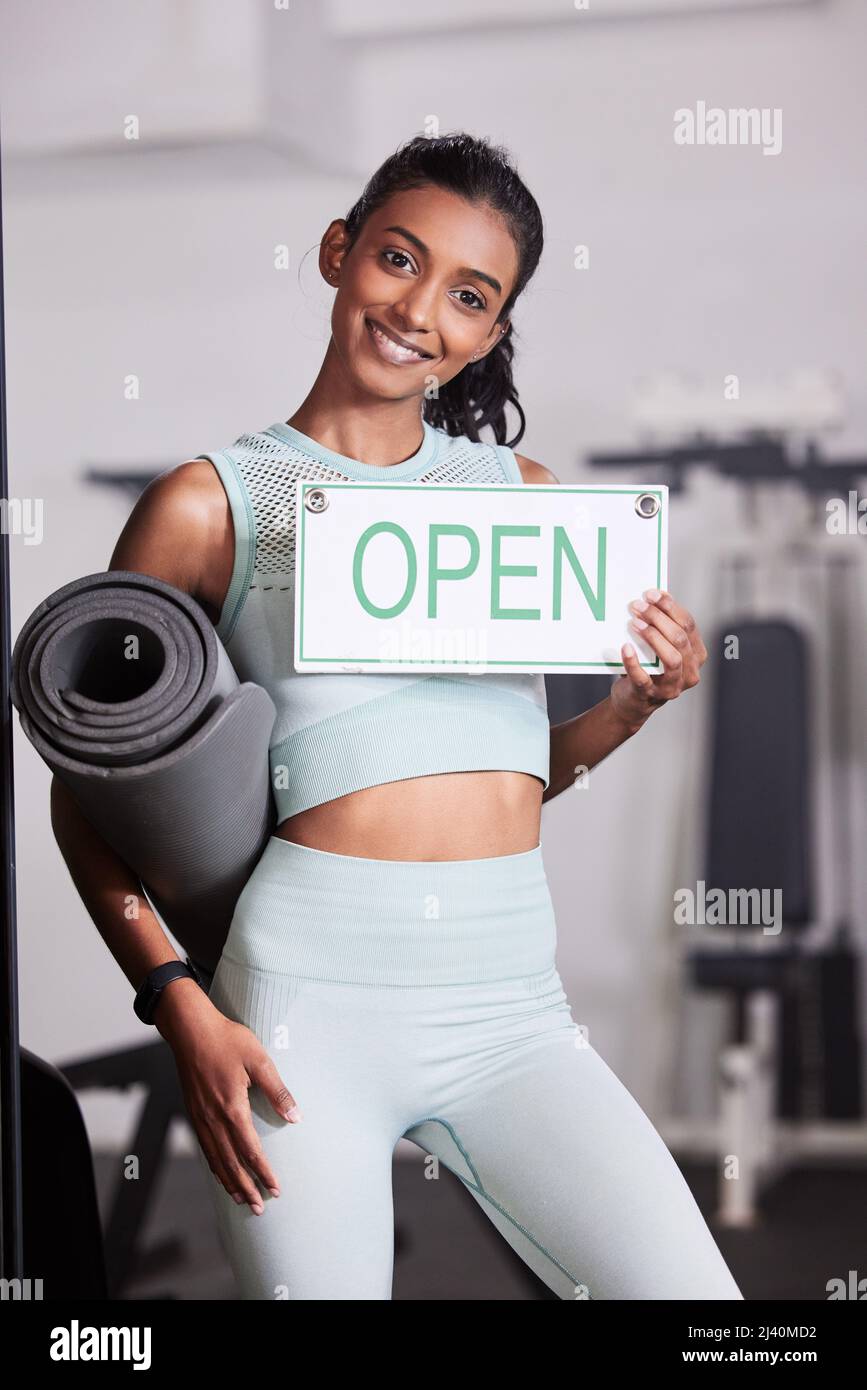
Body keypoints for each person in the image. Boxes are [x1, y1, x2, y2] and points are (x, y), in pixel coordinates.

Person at [52, 131, 743, 1301]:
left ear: (491, 330)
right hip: (303, 1013)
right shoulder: (210, 505)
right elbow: (89, 798)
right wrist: (179, 1006)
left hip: (515, 1006)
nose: (420, 309)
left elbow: (511, 773)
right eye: (398, 260)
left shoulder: (522, 501)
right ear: (340, 253)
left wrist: (630, 706)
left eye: (468, 295)